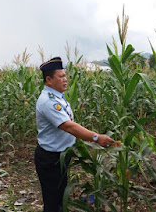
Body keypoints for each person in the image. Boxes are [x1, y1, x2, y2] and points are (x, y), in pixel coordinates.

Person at [35, 57, 115, 212]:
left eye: (65, 76)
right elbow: (69, 126)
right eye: (61, 76)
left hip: (60, 156)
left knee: (59, 196)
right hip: (50, 159)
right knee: (53, 202)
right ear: (49, 80)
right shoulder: (49, 101)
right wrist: (97, 138)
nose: (65, 79)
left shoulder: (57, 95)